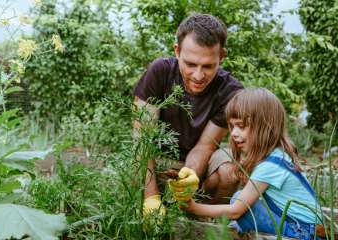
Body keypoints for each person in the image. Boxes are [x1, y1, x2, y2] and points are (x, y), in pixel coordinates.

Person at [133, 13, 243, 217]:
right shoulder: (159, 72)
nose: (198, 76)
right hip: (156, 161)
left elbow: (205, 146)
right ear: (177, 51)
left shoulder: (230, 91)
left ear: (221, 57)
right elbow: (142, 140)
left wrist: (189, 174)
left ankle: (199, 218)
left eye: (208, 66)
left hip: (197, 163)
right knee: (132, 167)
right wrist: (151, 197)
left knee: (231, 171)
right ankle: (154, 204)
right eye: (190, 64)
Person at [178, 88, 323, 240]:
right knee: (242, 202)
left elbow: (236, 211)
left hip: (302, 233)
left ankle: (235, 226)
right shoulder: (278, 156)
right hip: (304, 228)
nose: (233, 133)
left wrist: (194, 207)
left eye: (241, 126)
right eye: (232, 126)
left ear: (266, 127)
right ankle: (238, 226)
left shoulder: (269, 167)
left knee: (239, 201)